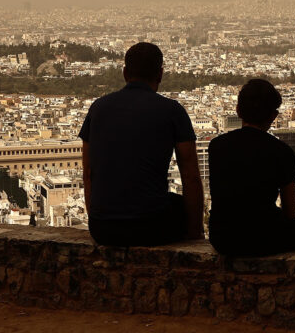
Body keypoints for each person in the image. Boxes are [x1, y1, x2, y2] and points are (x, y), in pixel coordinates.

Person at [79, 42, 204, 246]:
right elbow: (190, 177)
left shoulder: (98, 108)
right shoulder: (172, 111)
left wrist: (97, 218)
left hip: (103, 229)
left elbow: (88, 172)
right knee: (177, 203)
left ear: (125, 73)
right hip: (153, 227)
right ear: (160, 74)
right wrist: (195, 233)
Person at [208, 79, 295, 256]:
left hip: (222, 237)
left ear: (238, 110)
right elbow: (290, 211)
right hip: (264, 236)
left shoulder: (216, 146)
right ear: (273, 116)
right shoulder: (282, 152)